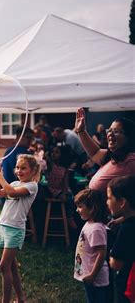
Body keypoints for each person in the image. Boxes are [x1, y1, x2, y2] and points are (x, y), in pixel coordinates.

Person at [0, 154, 39, 303]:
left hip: (15, 229)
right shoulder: (13, 183)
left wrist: (0, 176)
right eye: (17, 167)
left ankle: (5, 301)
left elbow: (11, 193)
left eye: (23, 168)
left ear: (33, 171)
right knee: (12, 267)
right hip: (4, 226)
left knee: (3, 266)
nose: (19, 170)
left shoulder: (32, 186)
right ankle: (21, 298)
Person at [75, 108, 135, 196]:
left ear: (128, 137)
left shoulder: (131, 161)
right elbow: (95, 152)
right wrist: (81, 130)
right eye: (109, 130)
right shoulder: (113, 157)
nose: (110, 134)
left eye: (116, 131)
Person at [73, 189, 109, 303]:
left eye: (80, 206)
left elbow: (101, 253)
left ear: (92, 208)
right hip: (89, 276)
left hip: (95, 279)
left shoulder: (96, 229)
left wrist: (93, 275)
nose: (77, 210)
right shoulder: (89, 224)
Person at [107, 175, 135, 303]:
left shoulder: (127, 229)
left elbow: (116, 264)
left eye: (109, 198)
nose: (107, 202)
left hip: (127, 287)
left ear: (122, 202)